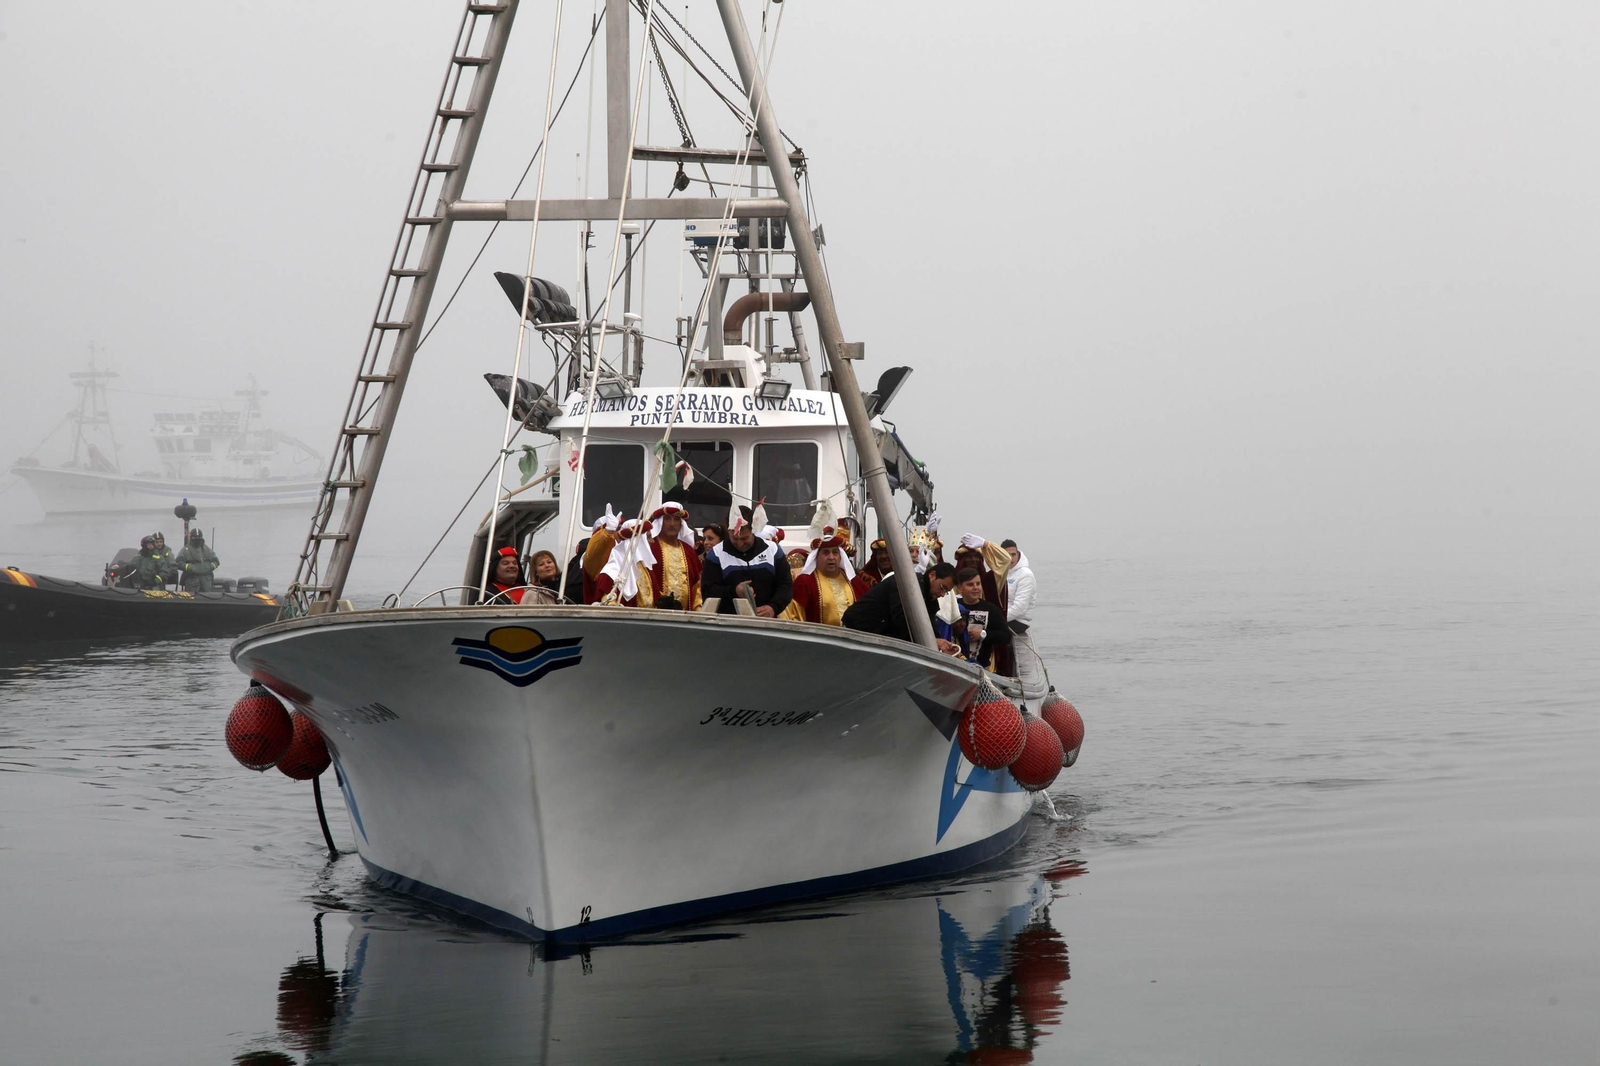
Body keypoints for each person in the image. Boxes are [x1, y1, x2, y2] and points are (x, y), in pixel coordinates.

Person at [843, 561, 959, 653]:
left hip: (876, 637)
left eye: (947, 591)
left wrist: (943, 646)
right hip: (856, 633)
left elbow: (929, 626)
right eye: (942, 587)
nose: (942, 594)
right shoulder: (907, 584)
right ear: (932, 575)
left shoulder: (930, 597)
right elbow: (902, 621)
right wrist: (932, 642)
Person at [702, 505, 791, 617]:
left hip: (767, 622)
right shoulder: (716, 555)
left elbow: (785, 585)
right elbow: (708, 591)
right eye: (735, 539)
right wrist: (734, 591)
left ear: (753, 530)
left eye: (745, 538)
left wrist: (773, 607)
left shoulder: (773, 550)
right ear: (728, 531)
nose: (740, 544)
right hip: (730, 624)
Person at [783, 526, 870, 627]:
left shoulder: (853, 581)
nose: (831, 557)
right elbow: (795, 618)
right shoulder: (805, 582)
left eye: (835, 552)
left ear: (840, 556)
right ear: (816, 557)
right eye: (826, 552)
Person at [951, 565, 1012, 670]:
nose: (975, 588)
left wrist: (983, 634)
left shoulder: (991, 609)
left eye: (978, 584)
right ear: (960, 588)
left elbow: (1006, 636)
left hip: (982, 667)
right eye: (970, 585)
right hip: (954, 664)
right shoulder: (953, 607)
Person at [644, 502, 702, 611]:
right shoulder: (651, 548)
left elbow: (696, 587)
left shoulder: (688, 551)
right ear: (660, 522)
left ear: (681, 524)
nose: (672, 524)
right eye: (667, 519)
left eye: (676, 519)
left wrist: (697, 612)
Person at [1000, 539, 1042, 690]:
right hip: (1005, 617)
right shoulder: (1002, 571)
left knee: (994, 633)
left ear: (1018, 554)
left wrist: (997, 619)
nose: (1011, 558)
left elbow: (1019, 608)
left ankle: (1004, 672)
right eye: (1006, 555)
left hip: (1018, 621)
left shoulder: (1025, 575)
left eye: (1013, 554)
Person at [592, 519, 656, 606]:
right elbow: (607, 605)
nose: (652, 541)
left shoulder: (644, 567)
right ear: (638, 540)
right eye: (648, 537)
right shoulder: (611, 573)